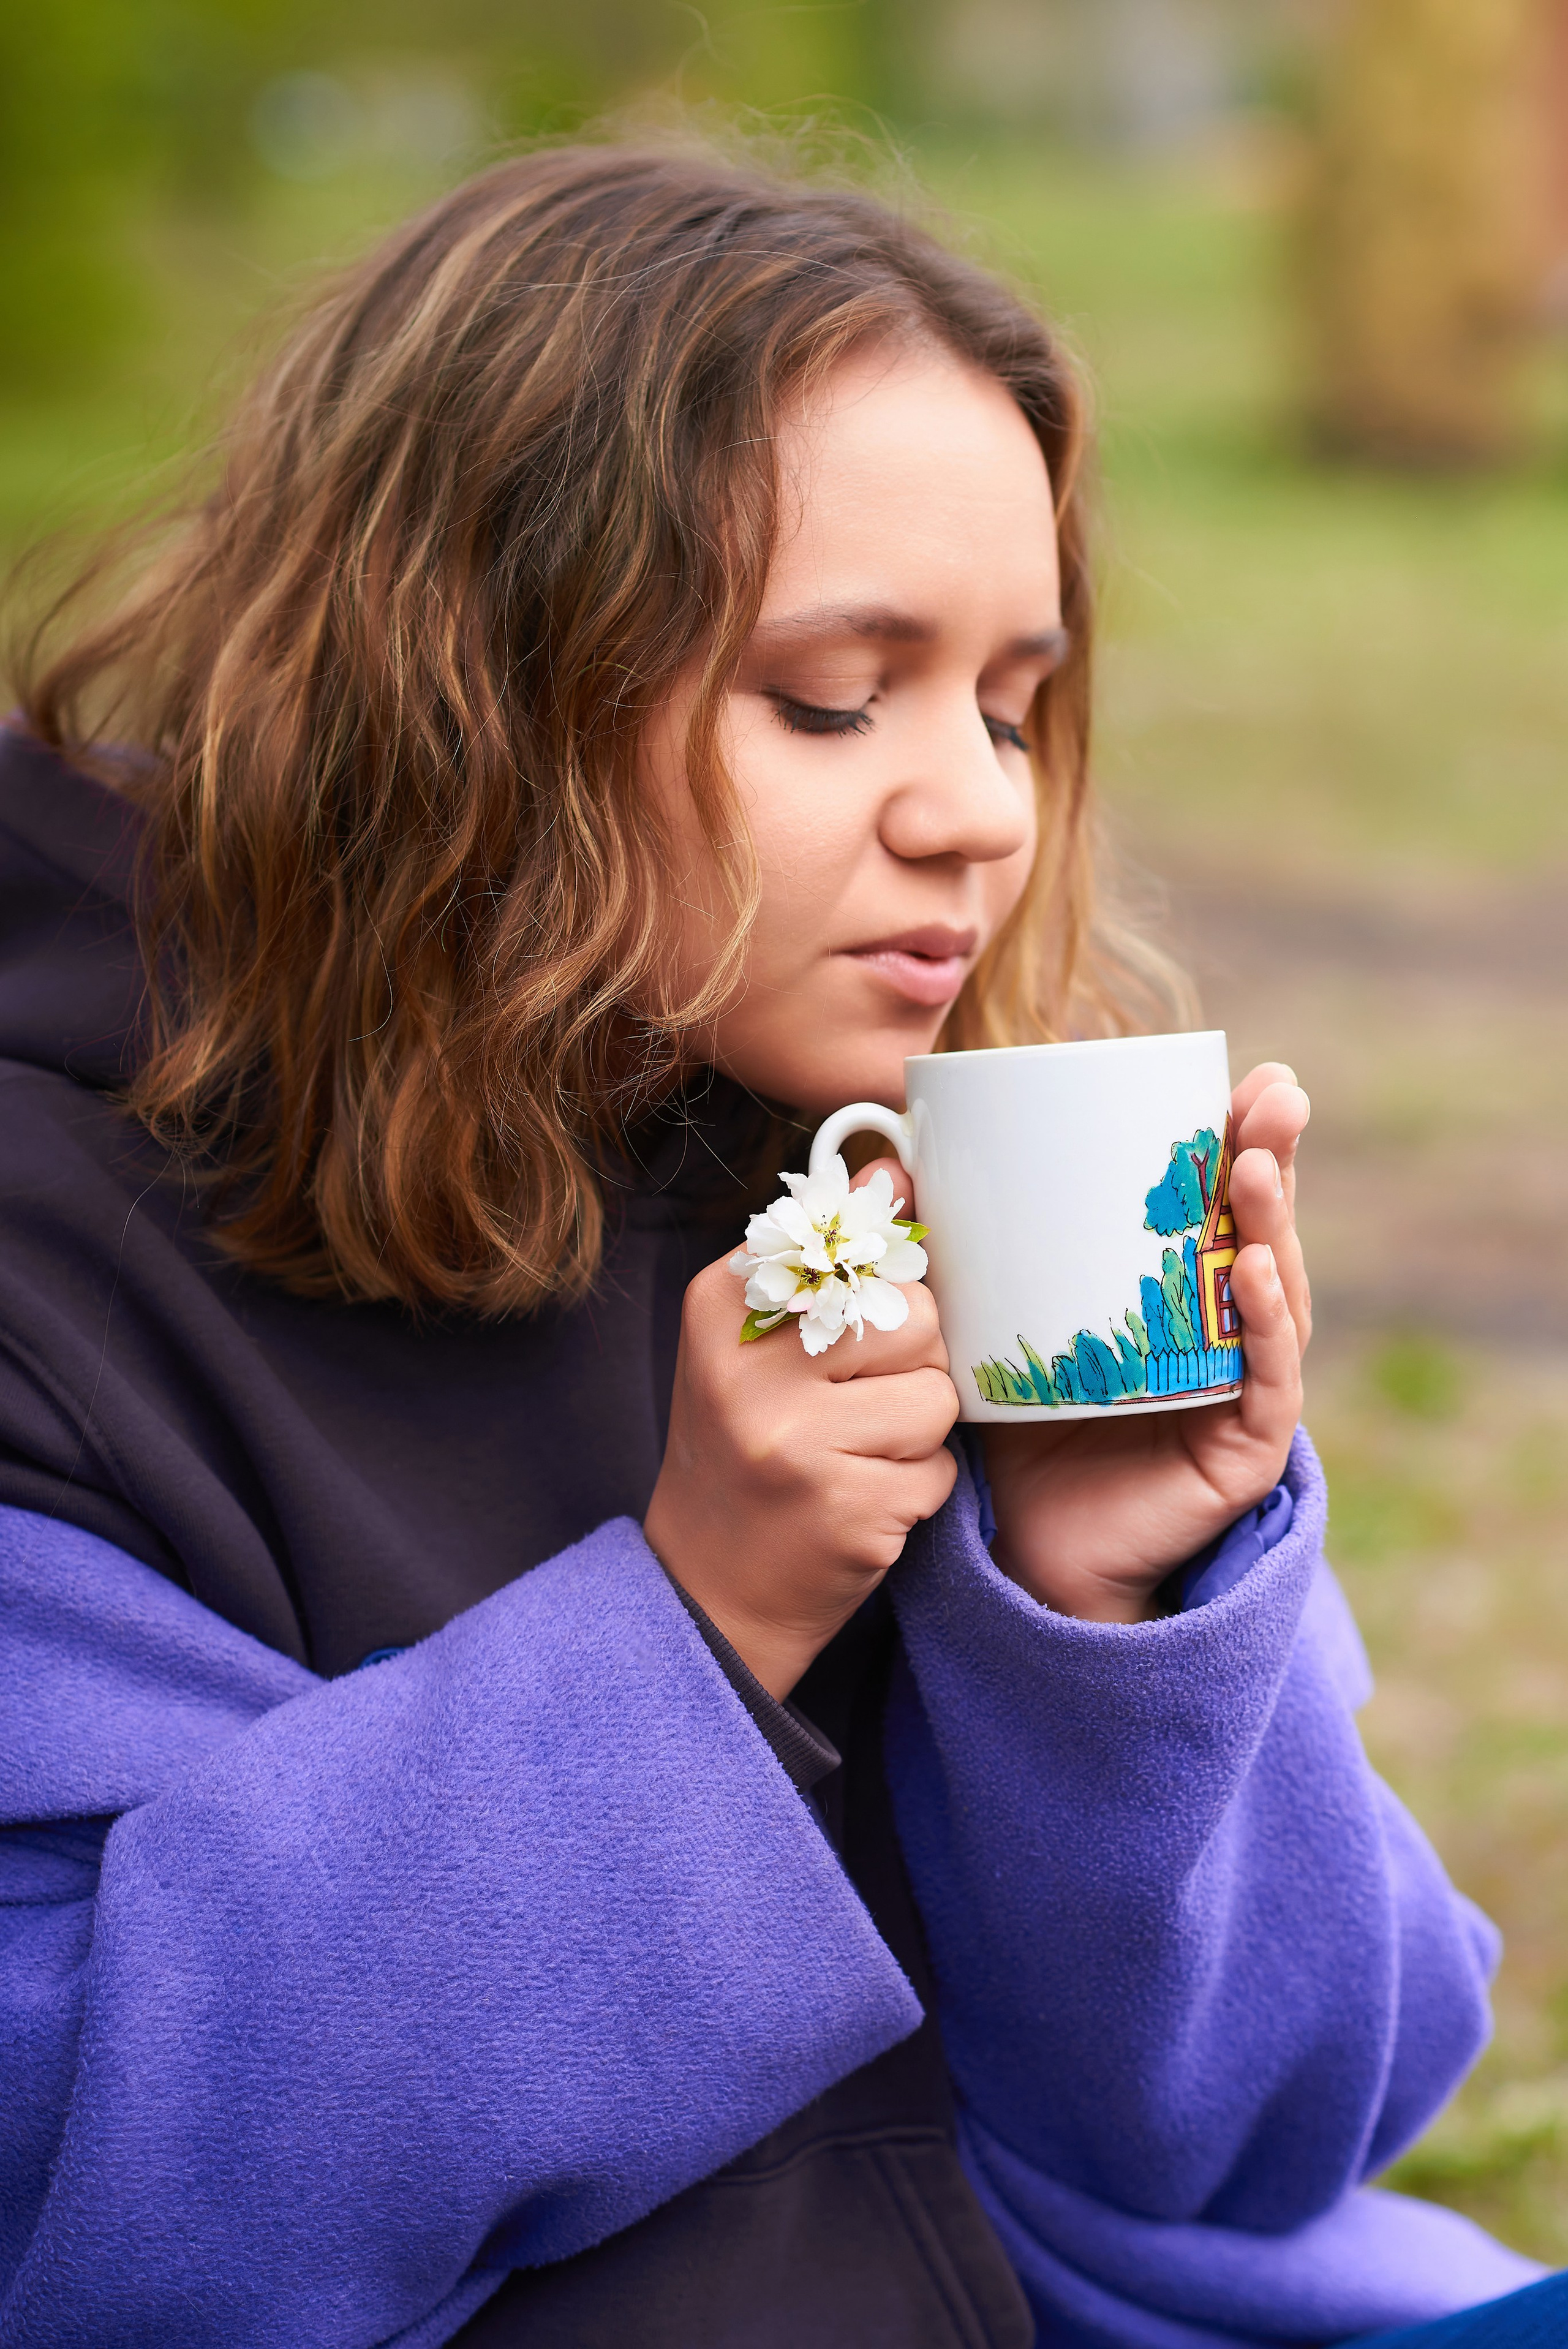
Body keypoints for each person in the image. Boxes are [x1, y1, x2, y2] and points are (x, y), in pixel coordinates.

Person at [0, 141, 1556, 2349]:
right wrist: (696, 1625)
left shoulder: (897, 1170)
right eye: (838, 694)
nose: (979, 811)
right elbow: (98, 2213)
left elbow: (1274, 2140)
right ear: (467, 691)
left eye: (1012, 705)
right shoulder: (56, 1298)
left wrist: (1112, 1620)